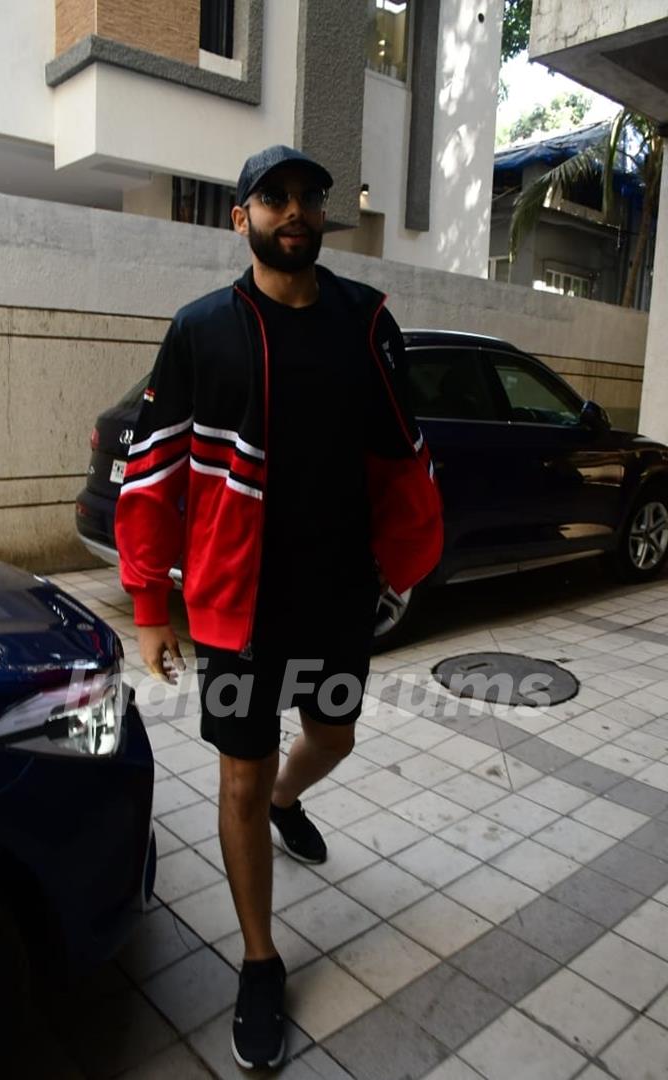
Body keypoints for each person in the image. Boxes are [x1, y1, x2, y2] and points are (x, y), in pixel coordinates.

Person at [115, 144, 443, 1070]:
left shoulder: (367, 320)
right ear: (242, 218)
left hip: (339, 595)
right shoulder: (201, 330)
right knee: (237, 781)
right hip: (235, 611)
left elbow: (401, 453)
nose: (294, 210)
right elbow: (153, 471)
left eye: (308, 197)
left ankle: (290, 800)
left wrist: (408, 563)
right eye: (275, 197)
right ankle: (261, 960)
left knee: (330, 739)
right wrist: (149, 601)